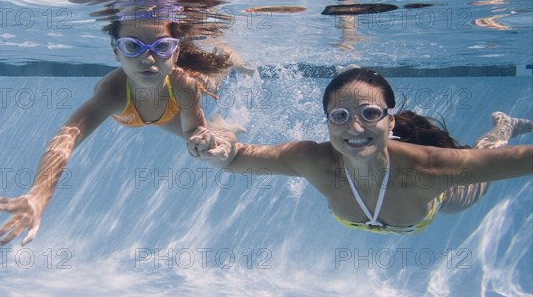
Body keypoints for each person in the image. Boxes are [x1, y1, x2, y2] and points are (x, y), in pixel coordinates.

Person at [0, 10, 240, 246]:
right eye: (132, 46)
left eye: (161, 47)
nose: (147, 58)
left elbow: (192, 132)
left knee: (213, 80)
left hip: (171, 110)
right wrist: (39, 195)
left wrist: (202, 139)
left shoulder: (185, 85)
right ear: (116, 52)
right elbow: (66, 138)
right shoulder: (113, 93)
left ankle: (230, 64)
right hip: (144, 112)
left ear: (175, 53)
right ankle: (221, 122)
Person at [191, 67, 533, 234]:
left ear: (391, 122)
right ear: (327, 123)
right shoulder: (313, 160)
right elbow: (235, 159)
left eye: (370, 114)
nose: (355, 128)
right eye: (340, 116)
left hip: (439, 200)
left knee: (475, 180)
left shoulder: (428, 169)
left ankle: (502, 127)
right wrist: (217, 148)